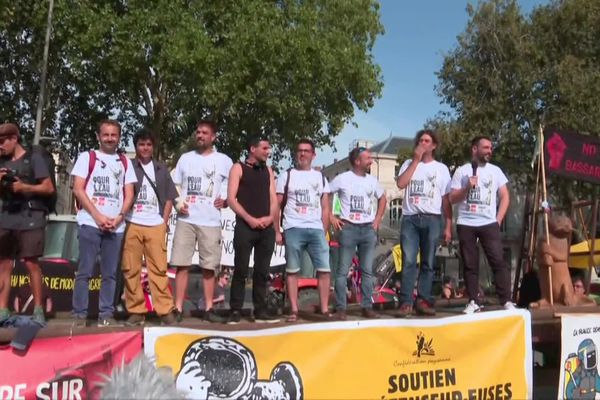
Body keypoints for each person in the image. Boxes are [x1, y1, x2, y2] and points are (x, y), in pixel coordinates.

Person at [71, 119, 136, 327]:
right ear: (99, 136)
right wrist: (98, 216)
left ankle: (106, 314)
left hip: (116, 227)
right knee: (85, 271)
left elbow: (129, 194)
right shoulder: (86, 157)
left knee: (110, 274)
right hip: (90, 223)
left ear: (119, 137)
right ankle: (79, 315)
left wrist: (119, 218)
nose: (110, 138)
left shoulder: (124, 161)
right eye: (106, 134)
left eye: (114, 135)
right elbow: (78, 189)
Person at [170, 120, 232, 323]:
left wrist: (225, 199)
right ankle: (177, 308)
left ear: (213, 137)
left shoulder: (224, 160)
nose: (200, 136)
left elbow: (231, 186)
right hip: (186, 219)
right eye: (198, 132)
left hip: (210, 221)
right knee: (181, 264)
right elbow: (174, 184)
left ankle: (208, 307)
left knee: (209, 267)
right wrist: (178, 202)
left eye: (205, 133)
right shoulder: (185, 159)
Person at [120, 128, 179, 326]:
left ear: (153, 147)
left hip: (155, 224)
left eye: (148, 145)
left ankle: (164, 310)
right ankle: (136, 310)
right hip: (132, 222)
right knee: (131, 268)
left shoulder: (162, 169)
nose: (145, 148)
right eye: (141, 144)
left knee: (159, 269)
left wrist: (163, 222)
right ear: (136, 147)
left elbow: (170, 197)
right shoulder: (127, 167)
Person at [449, 135, 512, 314]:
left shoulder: (496, 171)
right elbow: (452, 198)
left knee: (498, 261)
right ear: (474, 149)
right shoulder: (462, 171)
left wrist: (498, 219)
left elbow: (505, 196)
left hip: (488, 222)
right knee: (470, 264)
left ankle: (506, 300)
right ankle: (473, 301)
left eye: (491, 148)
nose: (489, 151)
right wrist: (467, 188)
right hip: (466, 222)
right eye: (486, 148)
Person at [0, 123, 55, 325]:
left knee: (31, 263)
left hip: (31, 216)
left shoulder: (34, 159)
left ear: (14, 139)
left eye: (2, 142)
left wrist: (23, 186)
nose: (0, 146)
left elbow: (48, 188)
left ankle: (38, 309)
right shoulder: (2, 162)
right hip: (7, 216)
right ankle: (2, 309)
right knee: (4, 264)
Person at [395, 129, 452, 317]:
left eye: (427, 141)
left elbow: (446, 199)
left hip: (432, 218)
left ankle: (424, 299)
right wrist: (415, 161)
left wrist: (448, 225)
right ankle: (406, 302)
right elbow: (401, 184)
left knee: (428, 262)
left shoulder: (441, 169)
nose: (422, 144)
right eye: (420, 140)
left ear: (434, 145)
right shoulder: (408, 164)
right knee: (409, 261)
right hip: (411, 218)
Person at [276, 139, 332, 322]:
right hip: (293, 227)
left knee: (324, 270)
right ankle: (294, 310)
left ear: (313, 155)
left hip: (315, 229)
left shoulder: (320, 177)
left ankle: (324, 309)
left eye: (307, 151)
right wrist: (277, 230)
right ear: (295, 154)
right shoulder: (287, 175)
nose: (303, 154)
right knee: (292, 271)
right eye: (299, 150)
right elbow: (277, 205)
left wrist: (323, 230)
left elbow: (325, 207)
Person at [227, 136, 280, 324]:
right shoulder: (238, 168)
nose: (268, 151)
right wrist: (249, 219)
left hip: (266, 228)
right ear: (252, 148)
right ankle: (235, 310)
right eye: (265, 148)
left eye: (269, 148)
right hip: (245, 226)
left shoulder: (269, 170)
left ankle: (260, 310)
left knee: (262, 271)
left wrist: (270, 218)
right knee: (241, 269)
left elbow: (274, 199)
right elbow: (231, 199)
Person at [329, 147, 386, 320]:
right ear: (357, 161)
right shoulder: (342, 179)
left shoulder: (372, 181)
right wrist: (331, 217)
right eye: (367, 158)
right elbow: (324, 194)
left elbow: (382, 198)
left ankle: (367, 307)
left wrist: (377, 220)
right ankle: (341, 309)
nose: (371, 161)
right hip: (349, 228)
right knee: (342, 271)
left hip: (368, 229)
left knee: (367, 271)